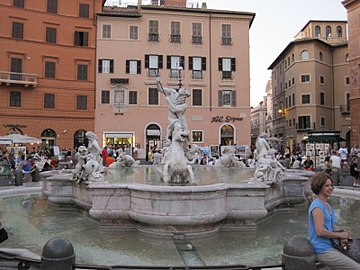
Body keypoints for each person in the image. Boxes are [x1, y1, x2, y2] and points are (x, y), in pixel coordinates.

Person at [308, 172, 360, 269]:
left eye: (331, 185)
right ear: (319, 187)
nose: (331, 188)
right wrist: (339, 235)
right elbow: (320, 231)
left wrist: (342, 236)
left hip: (331, 245)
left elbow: (331, 227)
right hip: (322, 249)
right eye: (327, 185)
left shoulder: (327, 205)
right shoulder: (317, 206)